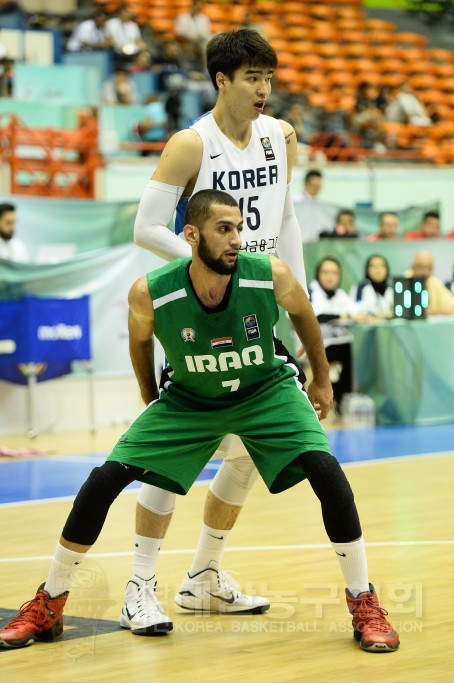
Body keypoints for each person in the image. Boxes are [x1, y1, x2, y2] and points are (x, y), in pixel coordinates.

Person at [0, 189, 399, 652]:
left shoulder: (269, 274)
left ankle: (363, 601)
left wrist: (321, 381)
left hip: (266, 392)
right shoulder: (151, 291)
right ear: (191, 235)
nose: (236, 239)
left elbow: (304, 314)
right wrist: (152, 401)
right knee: (104, 479)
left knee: (326, 470)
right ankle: (48, 603)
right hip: (189, 399)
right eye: (224, 229)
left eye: (239, 229)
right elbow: (140, 342)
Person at [129, 28, 310, 632]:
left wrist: (290, 297)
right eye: (252, 77)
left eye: (270, 78)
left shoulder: (280, 137)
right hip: (202, 310)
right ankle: (141, 584)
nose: (263, 89)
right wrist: (214, 269)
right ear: (222, 80)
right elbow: (146, 227)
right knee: (180, 449)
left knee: (248, 451)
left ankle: (204, 575)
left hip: (257, 311)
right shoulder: (190, 144)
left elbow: (285, 222)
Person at [309, 257, 367, 410]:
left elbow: (357, 313)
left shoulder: (340, 294)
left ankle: (345, 400)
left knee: (353, 348)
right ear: (318, 274)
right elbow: (317, 316)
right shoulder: (311, 291)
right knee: (344, 350)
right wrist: (343, 316)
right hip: (318, 345)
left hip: (341, 342)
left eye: (334, 273)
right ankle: (339, 399)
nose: (330, 276)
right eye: (325, 272)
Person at [406, 250, 454, 315]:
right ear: (413, 267)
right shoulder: (403, 282)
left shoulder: (434, 283)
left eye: (429, 268)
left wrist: (431, 310)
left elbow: (452, 307)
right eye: (421, 267)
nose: (425, 272)